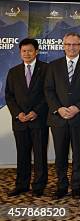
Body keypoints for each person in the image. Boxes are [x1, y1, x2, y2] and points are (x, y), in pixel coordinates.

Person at [44, 32, 80, 200]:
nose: (71, 48)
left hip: (79, 117)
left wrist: (77, 108)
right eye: (68, 44)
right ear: (63, 46)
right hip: (58, 118)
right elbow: (48, 90)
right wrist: (59, 108)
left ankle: (77, 187)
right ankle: (62, 185)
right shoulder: (53, 65)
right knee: (60, 155)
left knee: (79, 154)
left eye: (75, 44)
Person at [5, 38, 48, 197]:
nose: (27, 54)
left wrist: (36, 111)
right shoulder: (13, 71)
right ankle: (22, 185)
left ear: (36, 51)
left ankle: (39, 186)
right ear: (20, 53)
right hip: (20, 121)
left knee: (39, 154)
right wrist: (19, 113)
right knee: (22, 154)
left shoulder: (46, 69)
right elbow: (9, 96)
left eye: (30, 50)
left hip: (39, 120)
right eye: (24, 51)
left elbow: (48, 94)